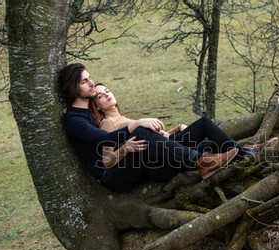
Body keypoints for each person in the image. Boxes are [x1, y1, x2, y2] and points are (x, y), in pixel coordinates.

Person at [58, 63, 240, 192]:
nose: (91, 83)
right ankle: (201, 162)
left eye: (90, 78)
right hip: (112, 177)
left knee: (201, 126)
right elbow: (104, 140)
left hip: (135, 163)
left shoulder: (89, 114)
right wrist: (136, 125)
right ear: (72, 88)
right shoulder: (74, 120)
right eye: (84, 81)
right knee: (140, 133)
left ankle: (242, 153)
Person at [88, 83, 278, 170]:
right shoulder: (107, 123)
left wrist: (171, 131)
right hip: (152, 162)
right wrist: (125, 148)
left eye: (107, 90)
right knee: (203, 126)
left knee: (207, 141)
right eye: (100, 96)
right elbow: (107, 161)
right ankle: (246, 153)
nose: (106, 94)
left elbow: (150, 138)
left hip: (164, 149)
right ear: (96, 106)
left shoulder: (122, 117)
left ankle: (246, 152)